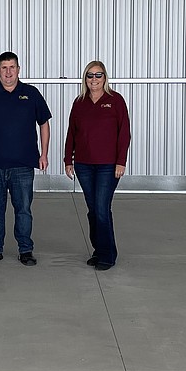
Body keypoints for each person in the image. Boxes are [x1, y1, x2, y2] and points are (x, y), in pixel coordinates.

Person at [0, 52, 52, 266]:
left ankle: (26, 249)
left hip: (23, 165)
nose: (8, 72)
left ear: (18, 69)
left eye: (12, 67)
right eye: (3, 68)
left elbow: (44, 123)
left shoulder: (30, 94)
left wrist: (44, 153)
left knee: (23, 209)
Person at [64, 61, 131, 271]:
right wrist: (68, 160)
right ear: (85, 78)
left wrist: (121, 161)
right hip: (84, 165)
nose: (94, 79)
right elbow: (71, 133)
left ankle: (108, 255)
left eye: (98, 75)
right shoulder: (79, 102)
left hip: (108, 167)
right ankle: (99, 250)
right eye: (90, 75)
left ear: (105, 77)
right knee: (93, 210)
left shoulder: (115, 100)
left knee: (102, 209)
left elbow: (124, 134)